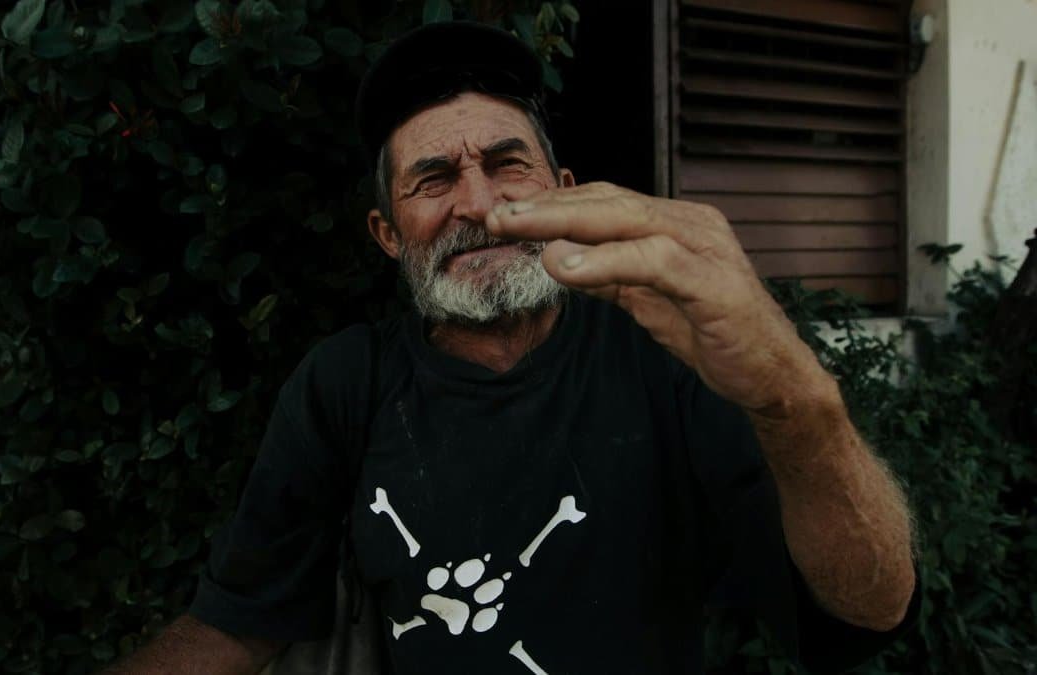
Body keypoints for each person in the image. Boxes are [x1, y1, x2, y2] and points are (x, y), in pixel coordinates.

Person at [108, 21, 918, 674]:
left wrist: (793, 396)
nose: (480, 204)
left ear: (565, 192)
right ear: (388, 235)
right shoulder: (343, 386)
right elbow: (235, 628)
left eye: (507, 164)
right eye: (433, 179)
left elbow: (868, 609)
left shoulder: (666, 352)